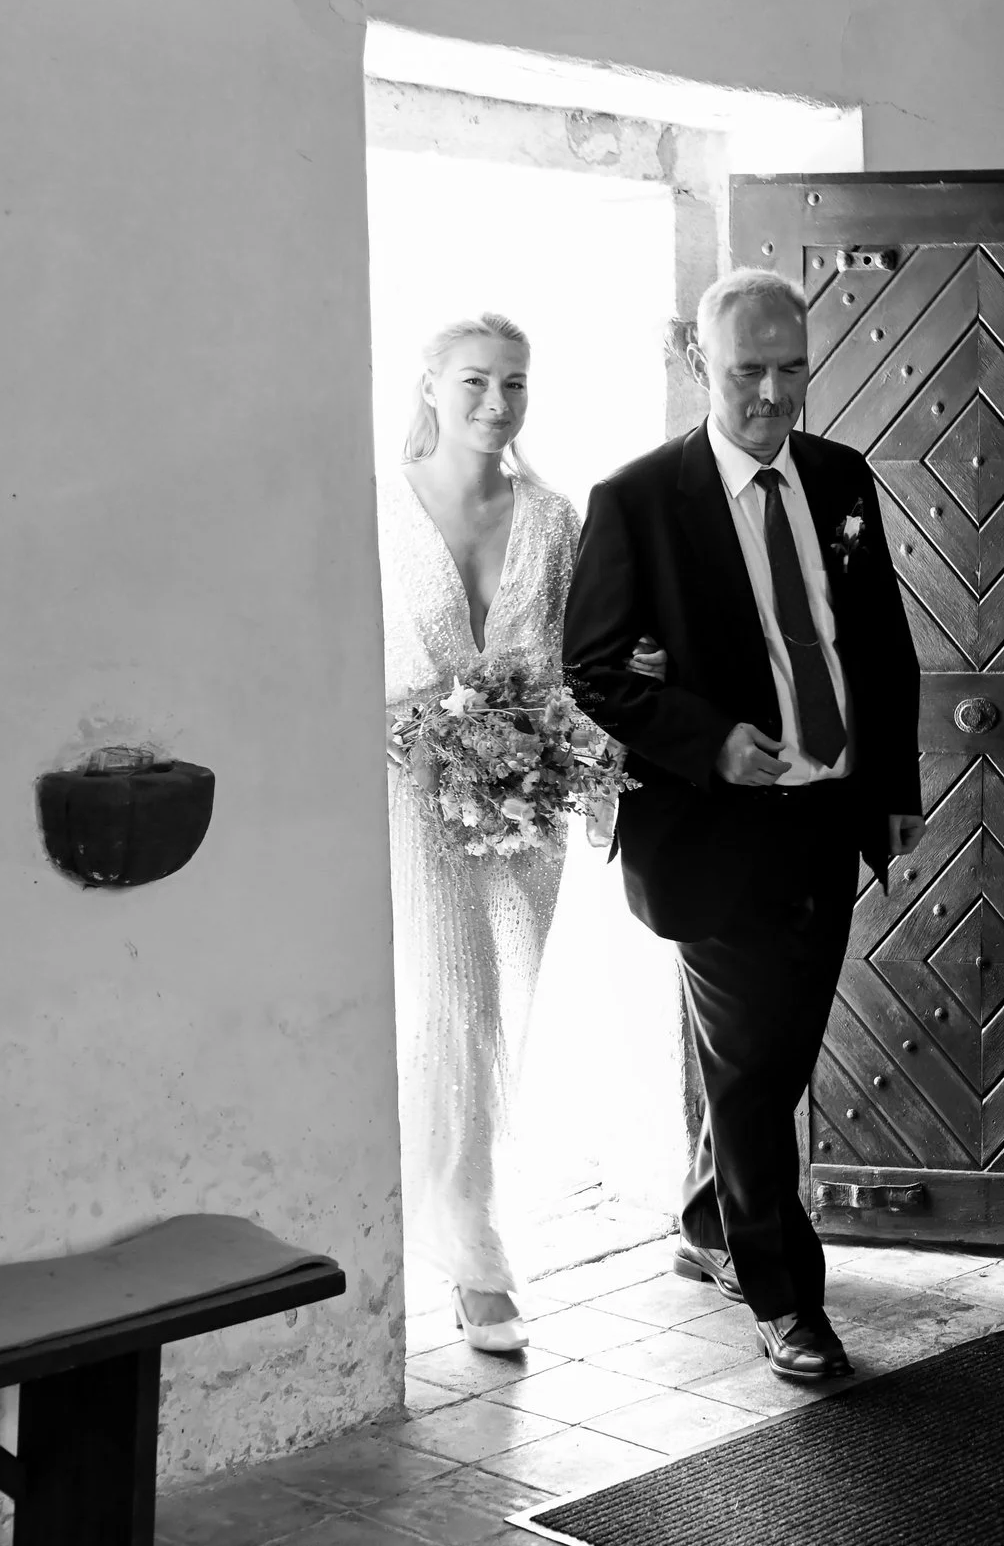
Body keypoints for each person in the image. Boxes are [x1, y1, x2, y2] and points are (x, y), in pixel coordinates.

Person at [564, 268, 925, 1381]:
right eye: (746, 372)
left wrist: (896, 785)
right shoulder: (636, 499)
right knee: (751, 1069)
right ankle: (784, 1298)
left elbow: (877, 642)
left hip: (829, 813)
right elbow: (592, 666)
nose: (771, 393)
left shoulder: (840, 477)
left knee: (772, 1056)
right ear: (696, 365)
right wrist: (707, 739)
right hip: (712, 832)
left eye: (790, 369)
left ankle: (711, 1217)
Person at [378, 313, 666, 1352]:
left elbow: (582, 657)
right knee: (436, 1011)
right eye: (474, 383)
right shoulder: (375, 507)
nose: (496, 405)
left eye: (515, 385)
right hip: (403, 799)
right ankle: (465, 1251)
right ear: (428, 385)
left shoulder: (552, 517)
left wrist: (564, 745)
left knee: (494, 1015)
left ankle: (463, 1228)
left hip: (520, 806)